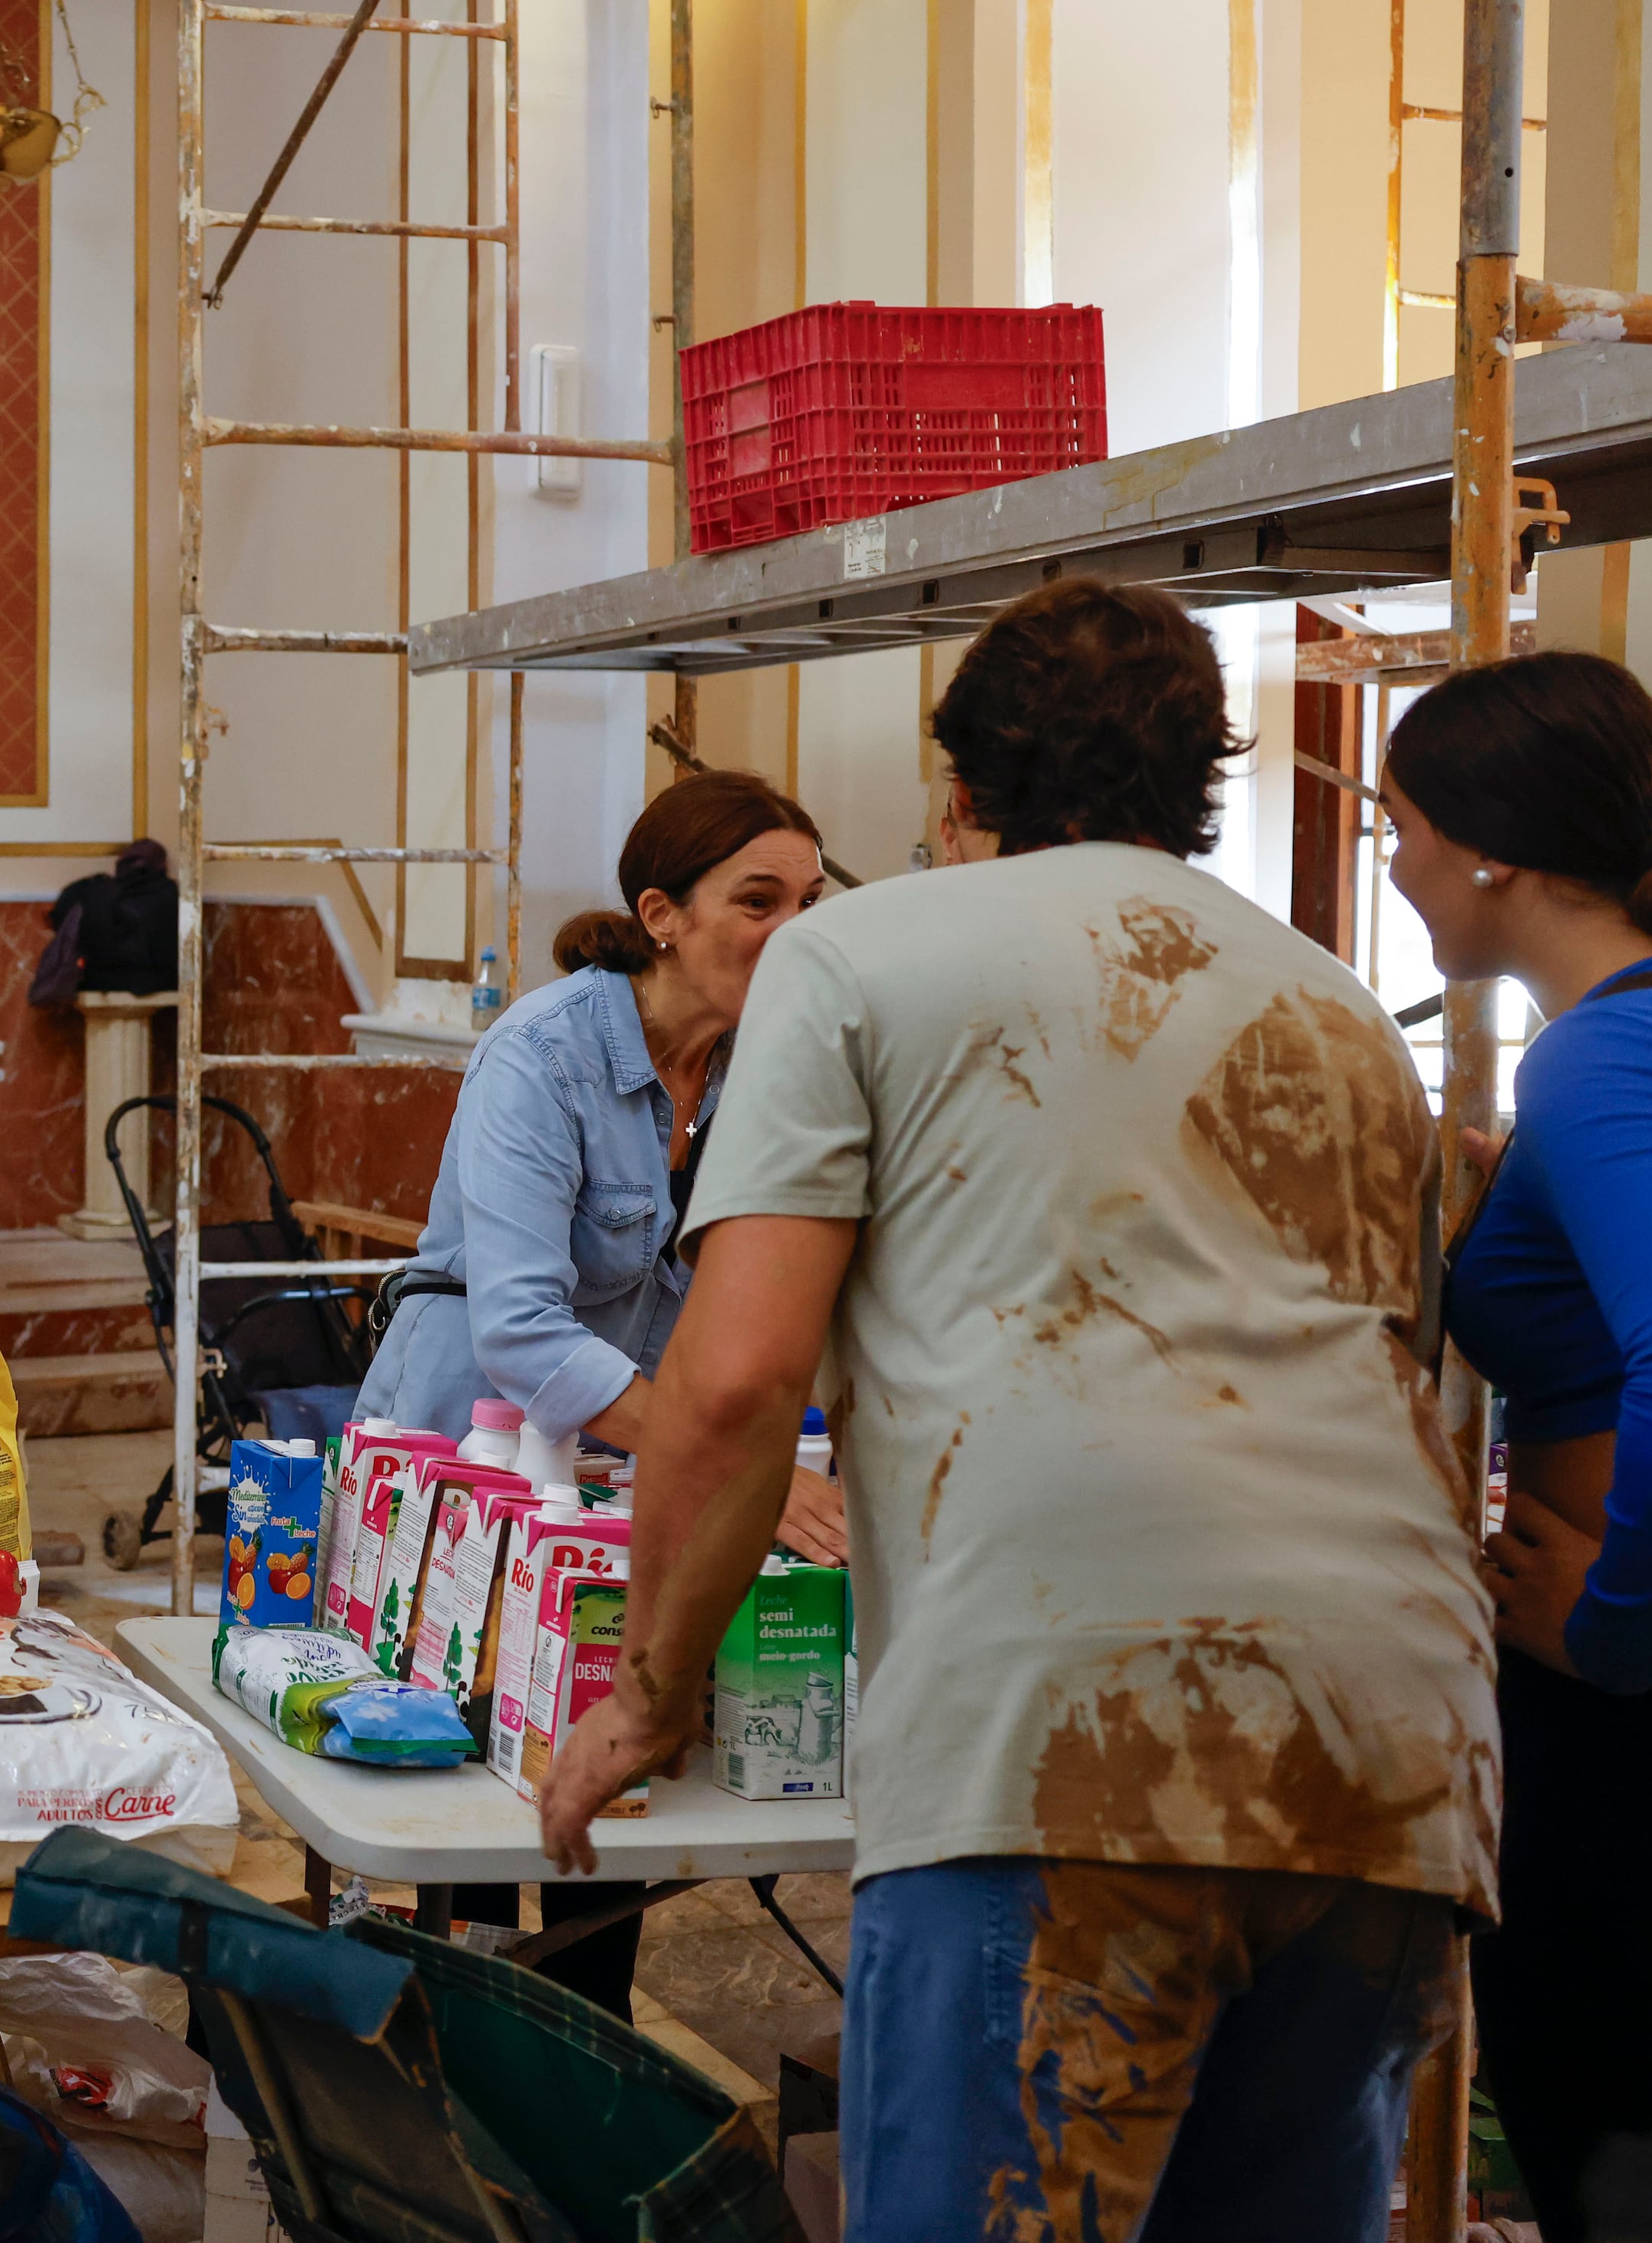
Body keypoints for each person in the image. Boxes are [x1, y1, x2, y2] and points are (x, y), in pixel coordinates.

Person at [541, 578, 1498, 2237]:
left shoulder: (850, 953)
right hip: (1388, 1746)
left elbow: (738, 1372)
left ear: (959, 785)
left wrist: (646, 1693)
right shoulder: (1334, 1003)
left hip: (1059, 1726)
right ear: (1202, 777)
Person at [1377, 652, 1652, 2235]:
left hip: (1651, 1678)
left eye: (1403, 826)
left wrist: (1616, 1627)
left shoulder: (1604, 1051)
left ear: (1491, 847)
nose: (1398, 862)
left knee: (1608, 2128)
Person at [353, 767, 842, 2010]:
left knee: (600, 1764)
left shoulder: (767, 1071)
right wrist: (734, 1466)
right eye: (758, 898)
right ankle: (452, 2049)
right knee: (463, 1783)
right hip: (465, 1444)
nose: (792, 929)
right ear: (663, 914)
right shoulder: (544, 1053)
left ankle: (584, 2041)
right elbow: (521, 1331)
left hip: (625, 1457)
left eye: (812, 899)